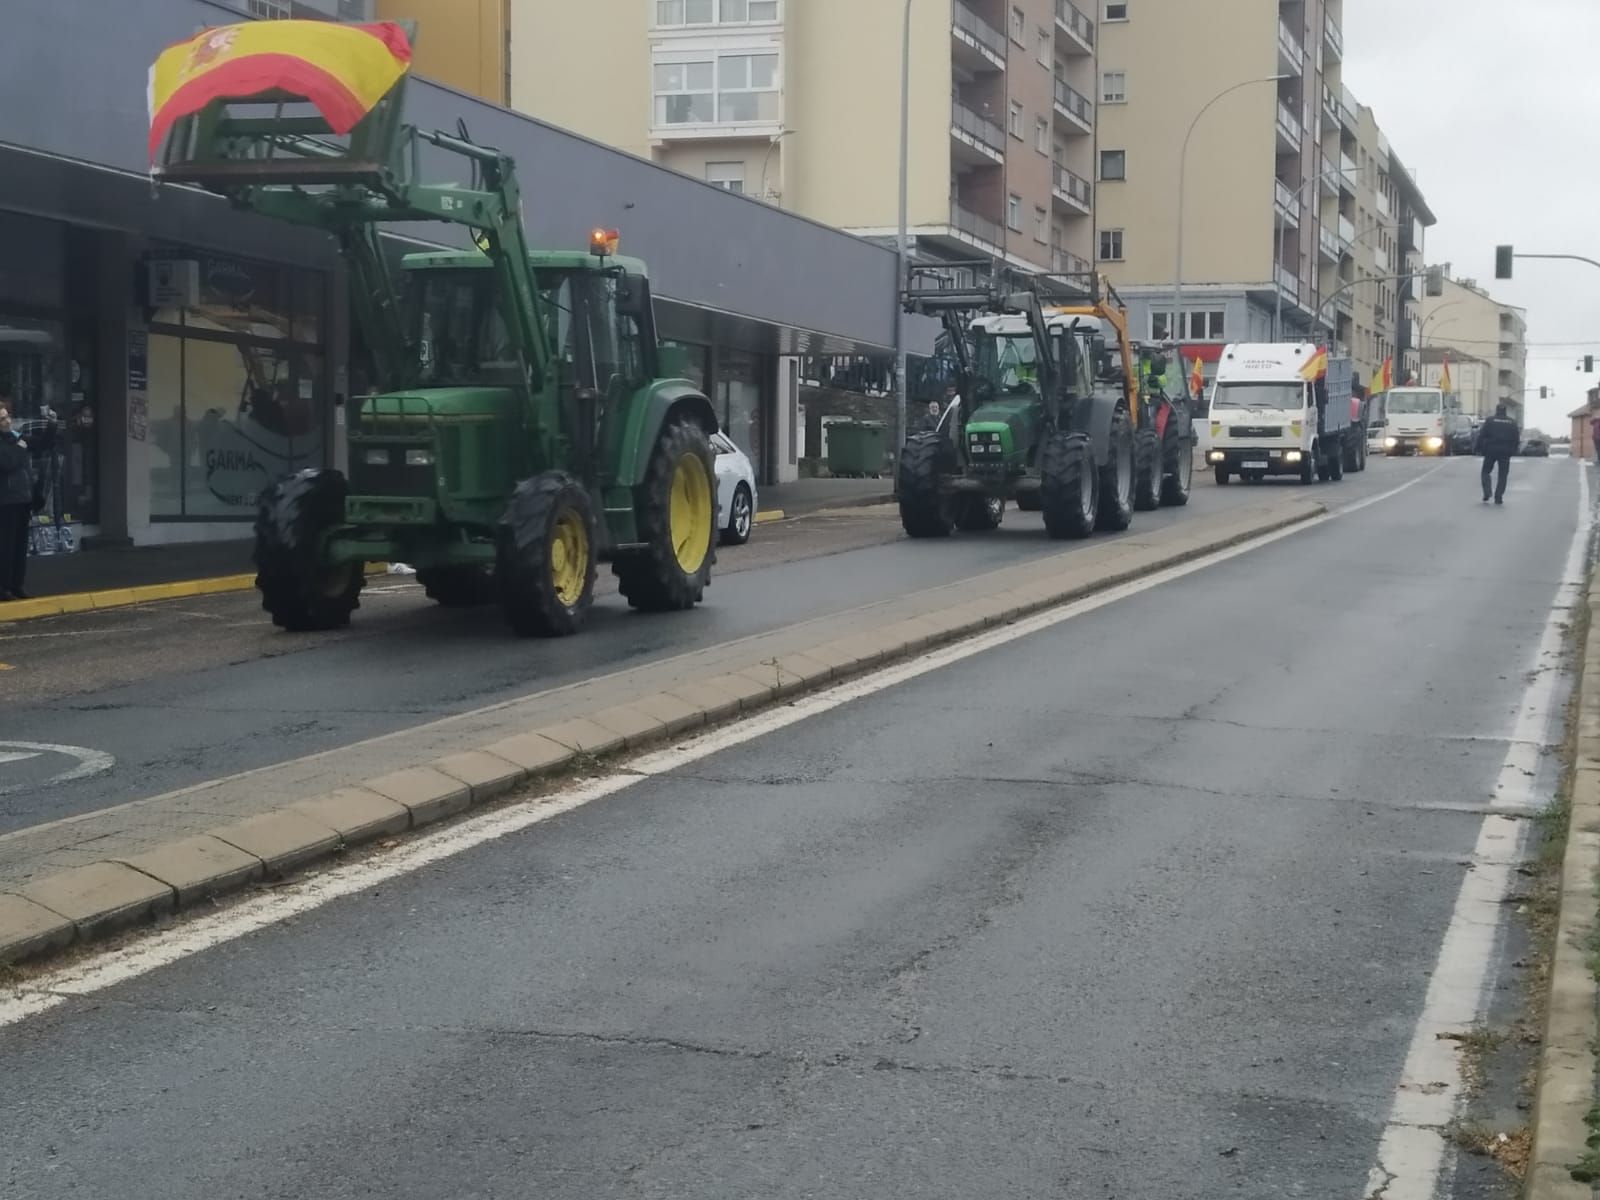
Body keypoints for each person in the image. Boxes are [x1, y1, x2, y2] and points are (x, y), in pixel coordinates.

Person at [0, 405, 36, 600]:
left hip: (23, 499)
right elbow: (8, 462)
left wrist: (52, 425)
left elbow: (40, 443)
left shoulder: (15, 438)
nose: (6, 421)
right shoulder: (9, 444)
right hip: (6, 501)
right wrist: (20, 448)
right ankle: (3, 587)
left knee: (20, 546)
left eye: (7, 417)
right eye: (2, 419)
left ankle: (17, 584)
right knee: (6, 545)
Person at [1476, 401, 1521, 505]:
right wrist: (1513, 450)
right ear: (1505, 411)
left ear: (1497, 411)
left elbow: (1481, 435)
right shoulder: (1512, 422)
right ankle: (1498, 496)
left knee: (1485, 472)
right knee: (1503, 475)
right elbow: (1516, 439)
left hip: (1490, 450)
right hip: (1505, 452)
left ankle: (1487, 492)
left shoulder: (1490, 421)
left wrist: (1478, 448)